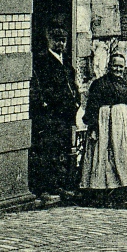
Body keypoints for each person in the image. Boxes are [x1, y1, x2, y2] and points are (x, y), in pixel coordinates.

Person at [79, 50, 127, 209]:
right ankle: (102, 194)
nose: (117, 69)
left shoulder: (126, 85)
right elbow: (92, 107)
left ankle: (118, 193)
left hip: (123, 127)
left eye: (121, 67)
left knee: (121, 157)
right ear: (109, 66)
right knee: (104, 157)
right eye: (114, 66)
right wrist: (92, 127)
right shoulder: (99, 84)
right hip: (104, 124)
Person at [29, 26, 80, 202]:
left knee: (62, 151)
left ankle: (59, 185)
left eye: (63, 40)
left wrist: (77, 100)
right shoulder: (42, 62)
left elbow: (72, 86)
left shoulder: (66, 64)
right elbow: (43, 90)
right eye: (56, 40)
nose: (60, 44)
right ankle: (43, 188)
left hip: (66, 117)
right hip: (51, 116)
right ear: (49, 40)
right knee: (46, 152)